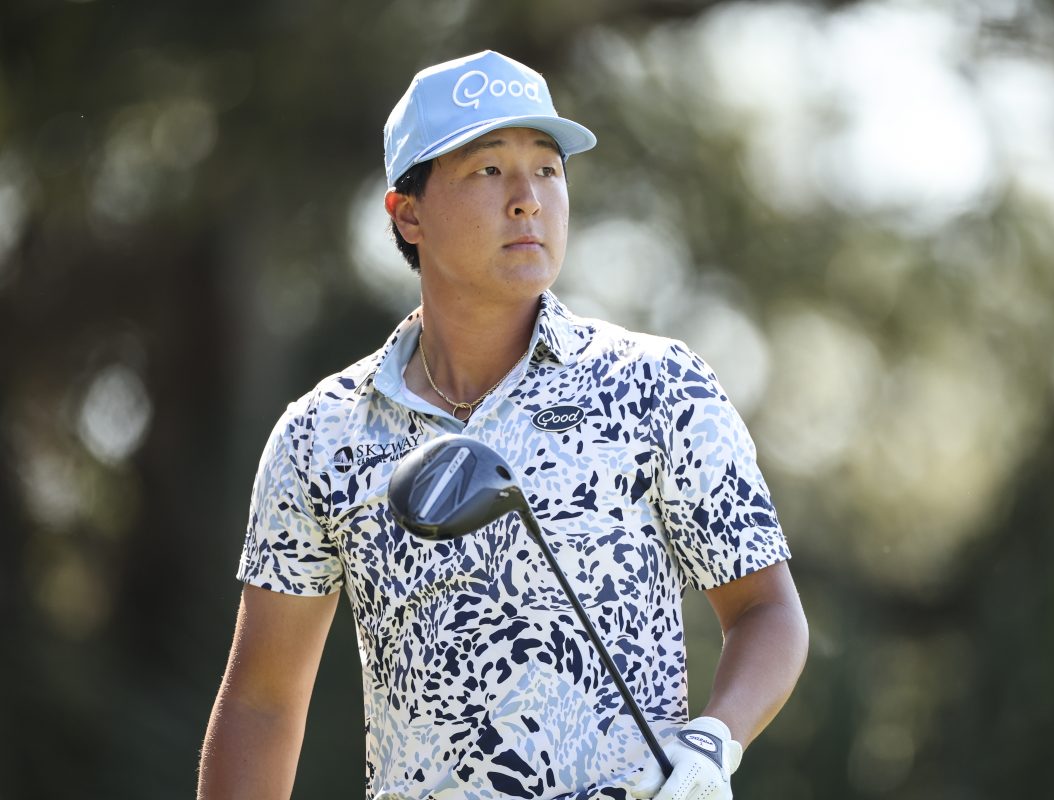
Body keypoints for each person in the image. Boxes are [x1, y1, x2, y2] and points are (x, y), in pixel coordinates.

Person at [198, 50, 808, 800]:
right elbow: (262, 701)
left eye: (547, 170)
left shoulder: (658, 385)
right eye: (489, 171)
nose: (528, 199)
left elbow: (767, 610)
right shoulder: (320, 434)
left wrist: (717, 739)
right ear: (407, 212)